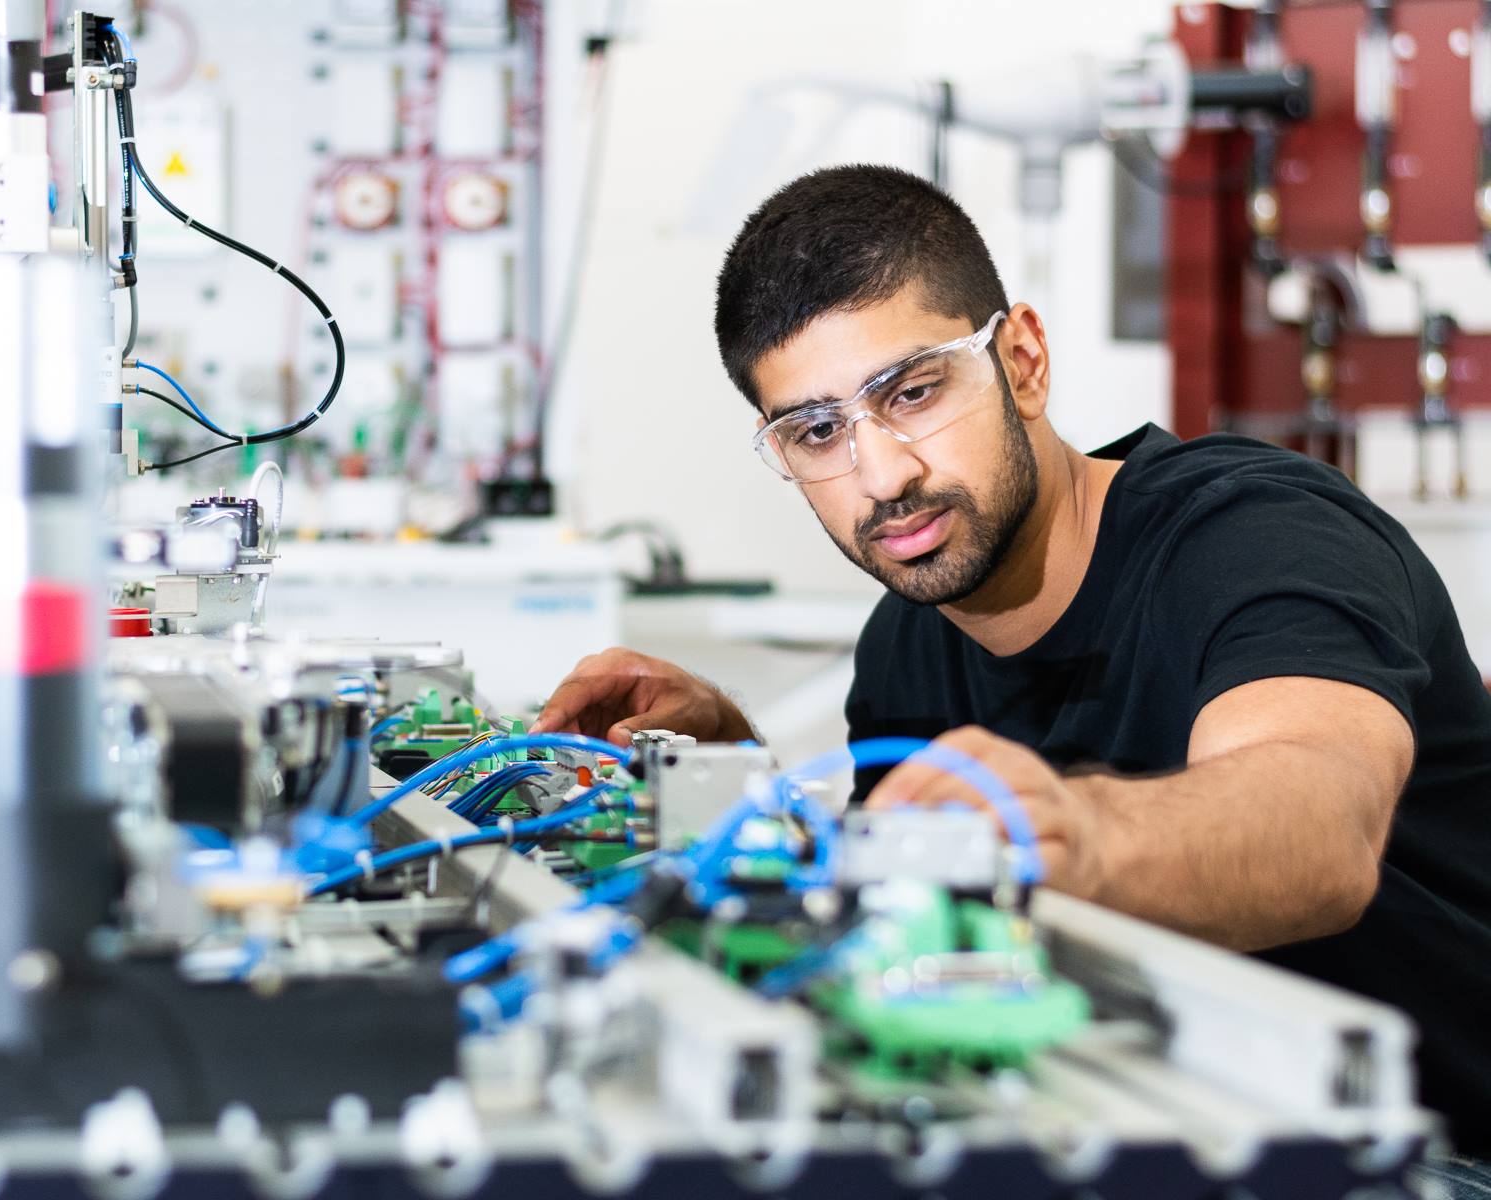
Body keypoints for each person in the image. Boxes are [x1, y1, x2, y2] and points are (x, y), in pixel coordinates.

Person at [530, 164, 1491, 1169]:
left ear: (1022, 360)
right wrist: (736, 780)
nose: (883, 475)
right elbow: (919, 948)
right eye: (817, 431)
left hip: (1438, 1154)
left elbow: (1318, 833)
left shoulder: (1258, 536)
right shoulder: (907, 645)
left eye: (912, 390)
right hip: (1161, 1136)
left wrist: (1078, 835)